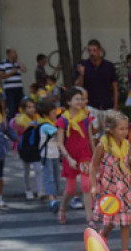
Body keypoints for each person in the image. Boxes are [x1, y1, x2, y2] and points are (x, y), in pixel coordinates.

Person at [90, 110, 131, 251]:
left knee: (126, 219)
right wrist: (93, 186)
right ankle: (103, 234)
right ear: (110, 130)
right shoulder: (103, 145)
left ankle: (124, 250)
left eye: (126, 128)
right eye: (121, 129)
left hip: (124, 185)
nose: (125, 132)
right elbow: (94, 165)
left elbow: (127, 162)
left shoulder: (126, 144)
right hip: (109, 186)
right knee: (112, 217)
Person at [56, 87, 96, 225]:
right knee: (70, 189)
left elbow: (90, 138)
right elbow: (60, 143)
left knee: (86, 185)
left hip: (85, 154)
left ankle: (90, 218)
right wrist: (68, 158)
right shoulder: (63, 120)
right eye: (77, 99)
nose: (80, 102)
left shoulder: (86, 117)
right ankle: (62, 209)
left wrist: (96, 155)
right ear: (68, 101)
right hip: (70, 156)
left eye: (81, 99)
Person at [75, 39, 118, 130]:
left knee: (109, 132)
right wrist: (81, 74)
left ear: (100, 51)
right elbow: (78, 87)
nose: (92, 53)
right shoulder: (83, 65)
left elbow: (115, 87)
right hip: (91, 106)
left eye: (94, 50)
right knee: (93, 133)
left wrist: (115, 106)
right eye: (90, 50)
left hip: (107, 105)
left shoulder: (109, 66)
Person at [11, 98, 44, 200]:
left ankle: (40, 190)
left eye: (33, 107)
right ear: (23, 109)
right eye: (29, 107)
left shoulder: (38, 119)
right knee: (26, 170)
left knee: (38, 169)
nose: (32, 109)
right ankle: (28, 189)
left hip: (35, 148)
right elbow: (15, 135)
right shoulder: (18, 120)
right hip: (24, 148)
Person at [35, 101, 63, 214]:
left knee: (56, 177)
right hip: (47, 156)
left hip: (54, 154)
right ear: (46, 114)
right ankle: (52, 199)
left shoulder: (51, 123)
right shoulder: (46, 126)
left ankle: (54, 198)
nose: (55, 114)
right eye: (53, 112)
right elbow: (58, 133)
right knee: (50, 177)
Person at [0, 48, 27, 120]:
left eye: (15, 52)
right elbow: (1, 76)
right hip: (10, 89)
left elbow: (24, 70)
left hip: (19, 88)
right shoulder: (3, 63)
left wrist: (19, 62)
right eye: (13, 52)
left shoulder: (17, 63)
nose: (15, 54)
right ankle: (10, 122)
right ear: (8, 54)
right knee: (11, 107)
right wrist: (12, 72)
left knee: (20, 106)